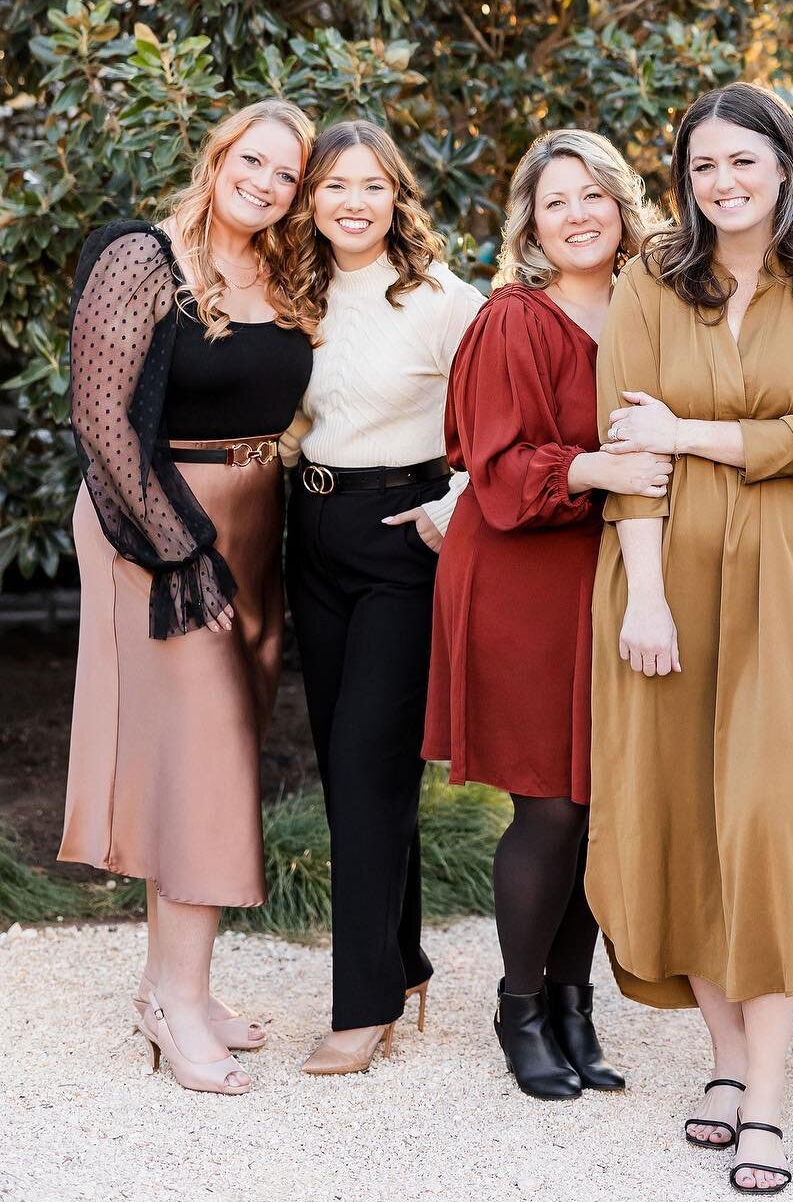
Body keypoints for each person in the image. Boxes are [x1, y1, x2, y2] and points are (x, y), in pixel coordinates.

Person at [588, 82, 793, 1194]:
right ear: (685, 180)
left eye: (743, 162)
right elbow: (629, 454)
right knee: (681, 821)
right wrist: (648, 598)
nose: (723, 183)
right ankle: (723, 1065)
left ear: (783, 168)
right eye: (703, 167)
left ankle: (767, 1097)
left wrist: (695, 430)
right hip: (666, 585)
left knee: (769, 823)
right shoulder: (646, 286)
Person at [61, 99, 315, 1096]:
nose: (264, 182)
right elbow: (100, 415)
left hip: (257, 522)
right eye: (252, 161)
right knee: (204, 759)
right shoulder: (145, 257)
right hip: (155, 523)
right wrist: (180, 551)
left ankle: (177, 987)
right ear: (218, 158)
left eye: (285, 175)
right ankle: (174, 1007)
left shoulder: (284, 274)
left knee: (208, 759)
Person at [424, 129, 671, 1100]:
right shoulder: (512, 319)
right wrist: (593, 467)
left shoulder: (650, 311)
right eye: (555, 199)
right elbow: (492, 466)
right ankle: (519, 1006)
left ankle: (575, 1007)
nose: (577, 214)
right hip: (523, 579)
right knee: (554, 803)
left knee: (605, 802)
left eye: (594, 196)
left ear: (621, 208)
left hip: (619, 575)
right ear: (529, 220)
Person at [284, 119, 482, 1076]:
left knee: (367, 761)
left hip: (402, 539)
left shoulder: (446, 300)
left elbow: (508, 413)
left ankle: (361, 1008)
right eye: (333, 186)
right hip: (310, 532)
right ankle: (400, 960)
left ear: (398, 196)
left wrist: (456, 500)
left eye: (371, 186)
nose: (352, 203)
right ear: (310, 198)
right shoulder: (295, 291)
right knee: (348, 761)